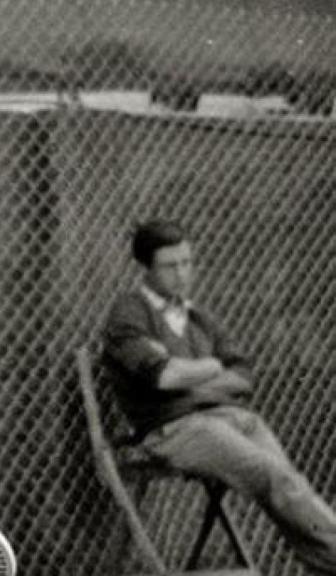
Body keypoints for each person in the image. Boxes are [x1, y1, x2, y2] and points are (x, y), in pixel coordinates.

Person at [101, 218, 336, 574]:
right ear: (145, 268)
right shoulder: (129, 313)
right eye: (170, 266)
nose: (182, 274)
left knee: (287, 480)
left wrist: (192, 378)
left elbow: (243, 377)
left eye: (187, 263)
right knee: (275, 478)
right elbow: (164, 378)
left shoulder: (196, 316)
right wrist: (211, 366)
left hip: (225, 418)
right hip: (172, 429)